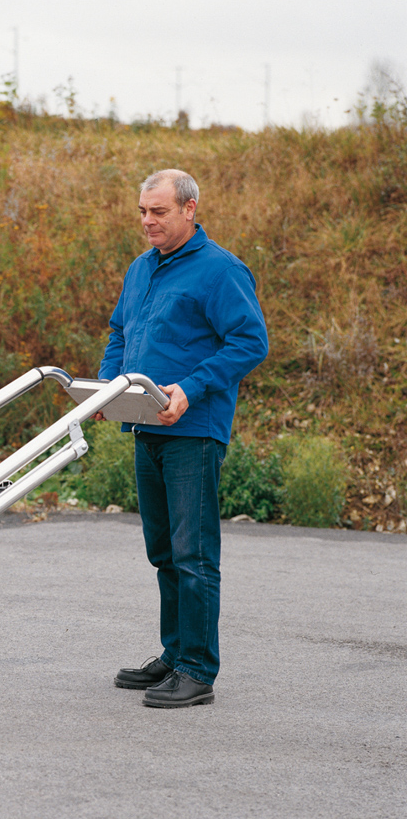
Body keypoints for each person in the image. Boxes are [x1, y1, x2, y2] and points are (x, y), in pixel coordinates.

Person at [99, 169, 268, 708]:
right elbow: (121, 332)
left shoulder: (221, 270)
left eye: (160, 212)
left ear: (190, 209)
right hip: (144, 426)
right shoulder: (141, 268)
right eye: (143, 212)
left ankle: (197, 670)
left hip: (193, 432)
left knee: (194, 554)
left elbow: (249, 341)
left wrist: (191, 388)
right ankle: (175, 655)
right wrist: (106, 389)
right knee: (164, 552)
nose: (148, 221)